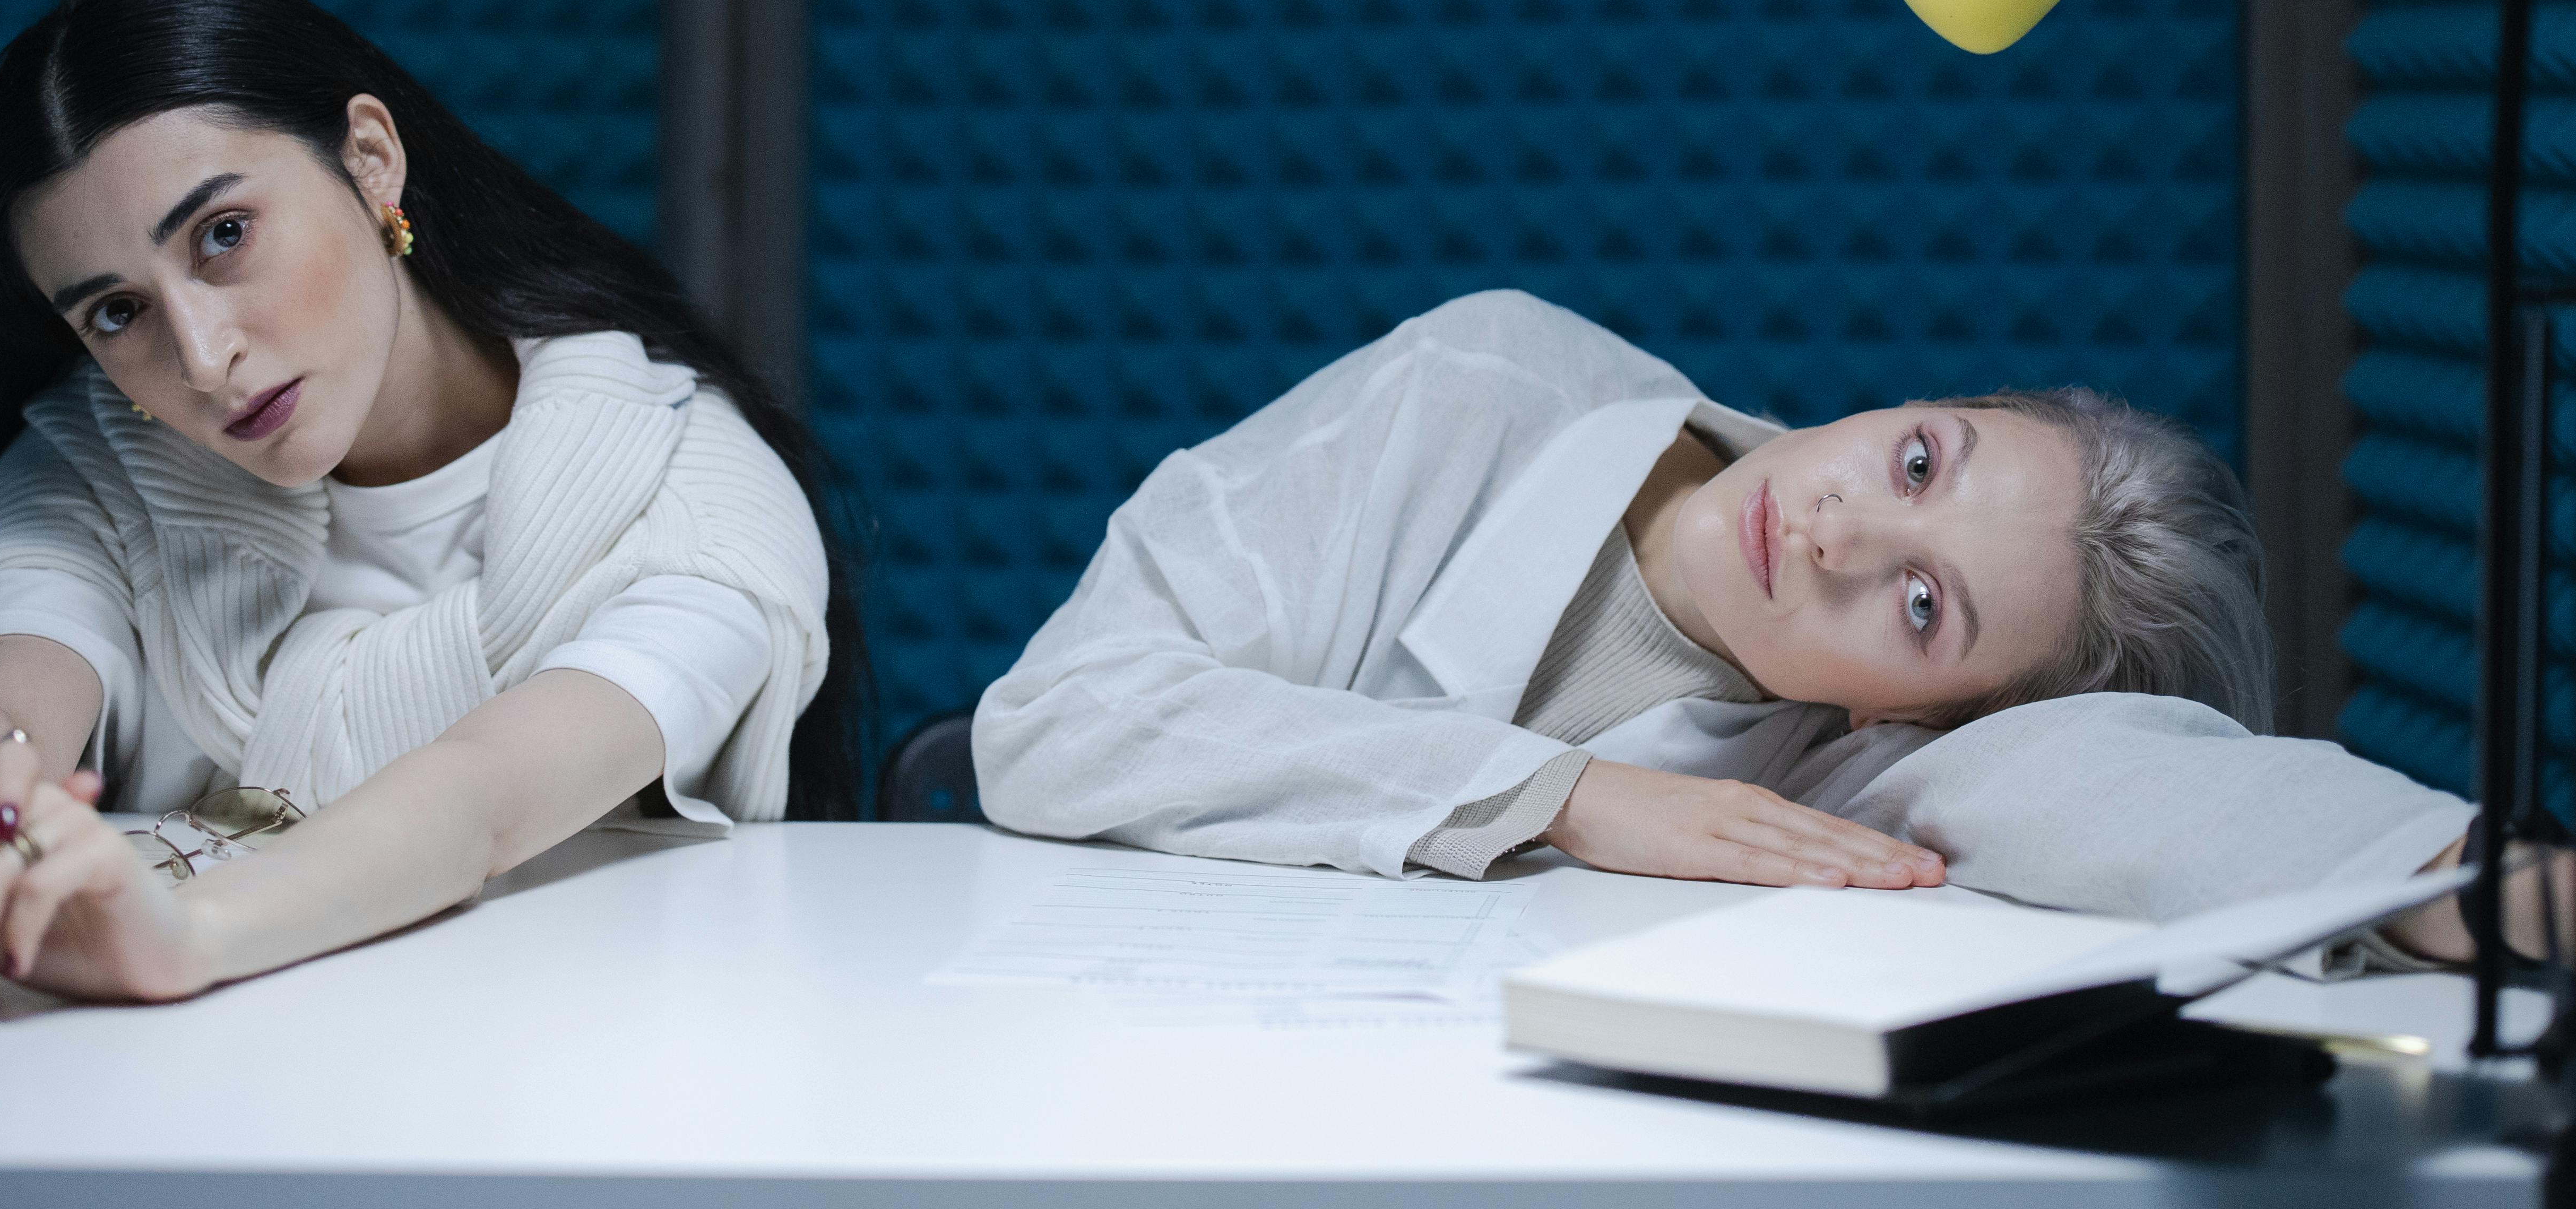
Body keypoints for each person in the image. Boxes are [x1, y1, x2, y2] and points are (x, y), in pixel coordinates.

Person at [0, 0, 865, 1015]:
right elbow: (7, 701)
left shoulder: (692, 498)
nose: (202, 357)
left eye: (224, 235)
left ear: (370, 160)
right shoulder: (92, 473)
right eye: (116, 313)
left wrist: (185, 934)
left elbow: (478, 798)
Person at [977, 290, 2485, 955]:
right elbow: (1052, 719)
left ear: (1919, 714)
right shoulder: (1486, 381)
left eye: (1917, 602)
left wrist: (2485, 882)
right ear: (1925, 401)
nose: (1834, 524)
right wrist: (1562, 794)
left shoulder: (1829, 768)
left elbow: (2158, 787)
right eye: (1916, 459)